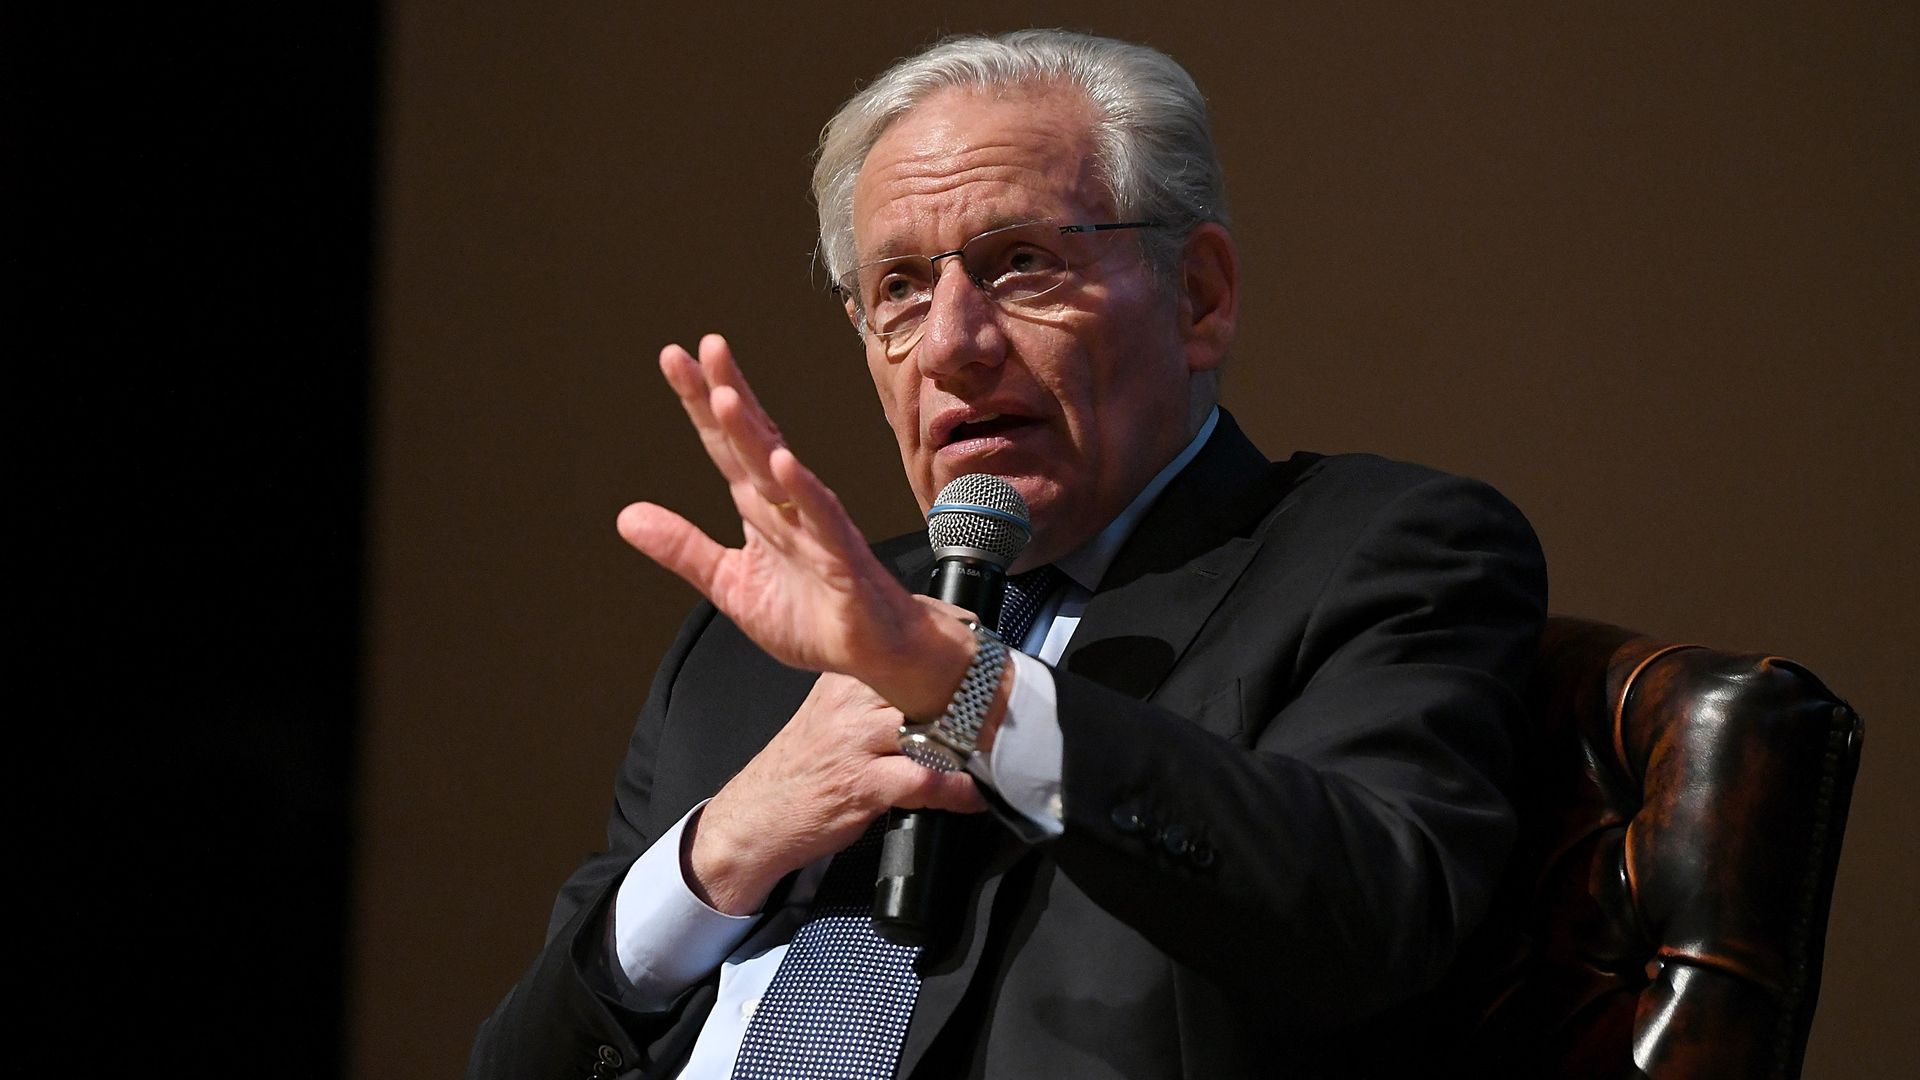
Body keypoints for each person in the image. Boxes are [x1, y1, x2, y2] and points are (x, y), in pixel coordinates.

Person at [470, 29, 1546, 1080]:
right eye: (898, 288)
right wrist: (723, 851)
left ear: (1199, 297)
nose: (949, 343)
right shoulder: (746, 652)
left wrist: (962, 690)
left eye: (1021, 264)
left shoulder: (1378, 551)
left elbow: (1368, 920)